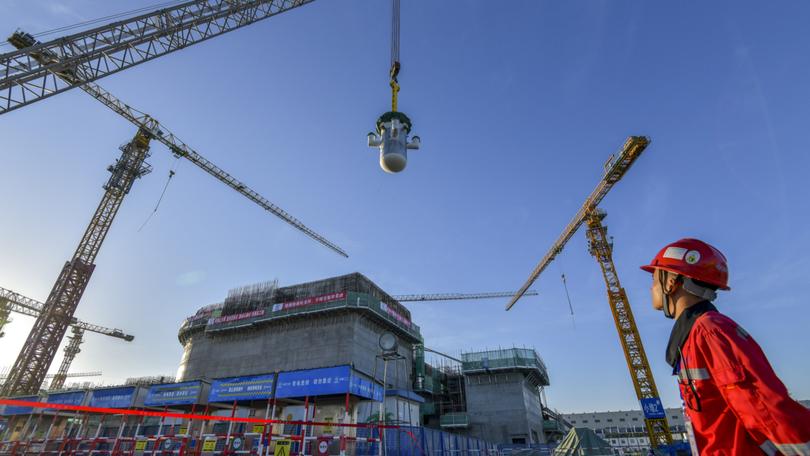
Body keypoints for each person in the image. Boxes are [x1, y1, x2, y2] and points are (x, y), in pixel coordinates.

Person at [640, 238, 810, 455]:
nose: (651, 287)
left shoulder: (710, 331)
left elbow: (764, 410)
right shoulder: (691, 339)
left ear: (672, 282)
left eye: (655, 278)